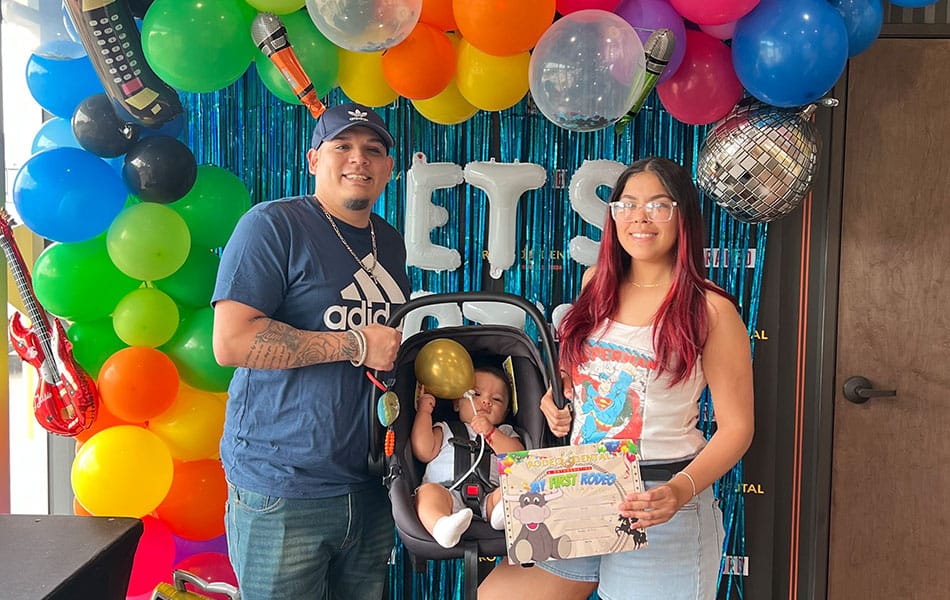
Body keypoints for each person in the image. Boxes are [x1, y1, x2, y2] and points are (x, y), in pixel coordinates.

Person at [479, 157, 754, 600]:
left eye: (658, 205)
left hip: (658, 499)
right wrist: (558, 392)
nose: (639, 217)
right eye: (625, 204)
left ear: (682, 214)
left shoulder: (710, 311)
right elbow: (582, 366)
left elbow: (738, 427)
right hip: (581, 487)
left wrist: (681, 491)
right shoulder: (596, 283)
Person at [211, 102, 410, 600]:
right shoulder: (272, 225)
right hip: (282, 486)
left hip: (370, 486)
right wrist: (355, 343)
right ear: (314, 159)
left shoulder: (389, 241)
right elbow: (232, 341)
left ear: (389, 168)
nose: (358, 159)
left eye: (373, 149)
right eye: (342, 146)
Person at [410, 366, 525, 548]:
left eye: (496, 399)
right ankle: (442, 526)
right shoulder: (446, 429)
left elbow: (519, 463)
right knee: (427, 494)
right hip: (446, 493)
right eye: (476, 394)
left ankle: (500, 514)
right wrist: (424, 412)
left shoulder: (505, 432)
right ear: (457, 403)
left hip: (489, 496)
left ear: (505, 413)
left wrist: (491, 433)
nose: (486, 401)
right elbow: (423, 451)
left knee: (513, 488)